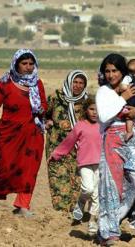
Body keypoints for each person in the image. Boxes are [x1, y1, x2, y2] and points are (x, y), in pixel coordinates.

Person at [0, 49, 47, 217]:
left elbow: (44, 106)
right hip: (9, 135)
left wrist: (42, 110)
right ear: (16, 64)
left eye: (31, 64)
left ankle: (23, 205)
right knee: (5, 167)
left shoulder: (37, 84)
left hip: (32, 134)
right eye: (24, 64)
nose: (28, 67)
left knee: (30, 168)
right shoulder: (5, 84)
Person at [96, 53, 135, 246]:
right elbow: (105, 115)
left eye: (114, 70)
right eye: (107, 71)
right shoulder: (103, 92)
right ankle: (109, 233)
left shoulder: (132, 85)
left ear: (122, 71)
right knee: (111, 187)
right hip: (112, 140)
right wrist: (123, 98)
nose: (110, 75)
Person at [49, 96, 100, 235]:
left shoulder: (104, 125)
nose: (95, 112)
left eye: (97, 109)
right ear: (86, 110)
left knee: (97, 195)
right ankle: (81, 203)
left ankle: (93, 223)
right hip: (85, 163)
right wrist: (56, 154)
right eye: (91, 109)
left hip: (100, 164)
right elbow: (68, 142)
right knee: (88, 189)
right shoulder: (80, 125)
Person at [45, 70, 88, 212]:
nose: (77, 86)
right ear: (69, 82)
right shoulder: (55, 97)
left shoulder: (87, 101)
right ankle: (60, 211)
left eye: (81, 83)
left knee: (77, 179)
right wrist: (48, 121)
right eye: (75, 82)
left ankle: (75, 210)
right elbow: (44, 114)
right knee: (58, 177)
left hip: (79, 147)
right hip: (57, 144)